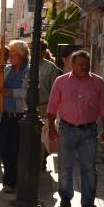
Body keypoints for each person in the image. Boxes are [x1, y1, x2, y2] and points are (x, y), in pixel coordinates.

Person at [47, 50, 104, 207]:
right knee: (65, 167)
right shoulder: (60, 82)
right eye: (81, 64)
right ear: (71, 65)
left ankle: (88, 203)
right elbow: (52, 107)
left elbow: (103, 108)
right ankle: (66, 198)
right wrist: (52, 128)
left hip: (89, 131)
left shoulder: (98, 82)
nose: (84, 67)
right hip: (66, 130)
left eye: (87, 64)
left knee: (89, 168)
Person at [0, 40, 30, 193]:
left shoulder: (29, 71)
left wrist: (11, 92)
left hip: (21, 116)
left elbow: (29, 92)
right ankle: (10, 177)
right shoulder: (6, 69)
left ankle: (10, 181)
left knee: (14, 149)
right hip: (5, 114)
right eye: (9, 54)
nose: (10, 57)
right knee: (2, 144)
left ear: (22, 55)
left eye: (13, 54)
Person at [37, 40, 60, 170]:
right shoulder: (26, 65)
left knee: (44, 138)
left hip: (45, 107)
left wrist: (53, 110)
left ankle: (42, 161)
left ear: (44, 51)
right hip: (27, 107)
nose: (36, 52)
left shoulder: (51, 68)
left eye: (39, 49)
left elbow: (54, 91)